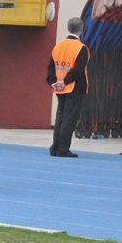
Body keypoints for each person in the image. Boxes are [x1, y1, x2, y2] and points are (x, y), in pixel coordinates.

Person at [46, 17, 89, 158]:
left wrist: (53, 82)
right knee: (69, 119)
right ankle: (63, 149)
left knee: (60, 117)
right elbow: (78, 71)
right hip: (74, 88)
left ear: (68, 28)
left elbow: (51, 67)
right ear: (81, 29)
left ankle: (55, 147)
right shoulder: (81, 48)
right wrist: (65, 82)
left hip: (59, 88)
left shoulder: (58, 46)